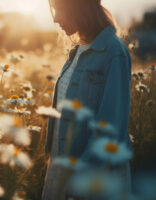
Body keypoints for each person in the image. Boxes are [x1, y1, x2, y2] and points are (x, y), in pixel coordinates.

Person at [41, 0, 133, 199]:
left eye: (61, 9)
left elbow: (111, 126)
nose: (55, 19)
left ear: (82, 7)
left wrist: (84, 175)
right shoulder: (78, 50)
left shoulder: (113, 52)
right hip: (64, 168)